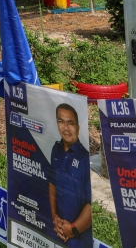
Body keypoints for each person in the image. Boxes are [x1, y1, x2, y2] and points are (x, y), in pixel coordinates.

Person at [49, 103, 92, 248]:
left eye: (70, 123)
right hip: (57, 231)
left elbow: (91, 204)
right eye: (61, 121)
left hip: (78, 238)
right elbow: (52, 183)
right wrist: (54, 216)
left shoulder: (86, 159)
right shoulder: (55, 150)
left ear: (78, 128)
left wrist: (73, 229)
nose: (65, 128)